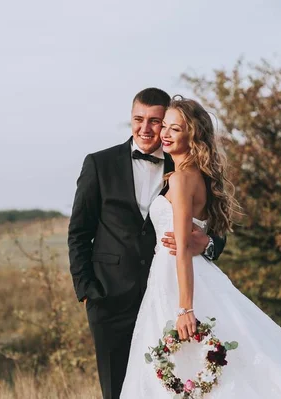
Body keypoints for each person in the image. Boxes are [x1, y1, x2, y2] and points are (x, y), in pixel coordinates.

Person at [120, 96, 281, 398]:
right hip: (182, 274)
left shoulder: (180, 180)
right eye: (164, 126)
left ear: (192, 135)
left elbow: (181, 246)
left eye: (174, 129)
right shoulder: (198, 177)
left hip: (178, 278)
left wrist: (185, 308)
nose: (164, 134)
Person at [67, 88, 226, 399]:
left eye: (156, 121)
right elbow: (78, 231)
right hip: (109, 296)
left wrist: (206, 243)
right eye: (138, 119)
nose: (147, 128)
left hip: (165, 294)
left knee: (170, 386)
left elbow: (215, 229)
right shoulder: (99, 164)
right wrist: (87, 290)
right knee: (117, 391)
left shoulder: (182, 162)